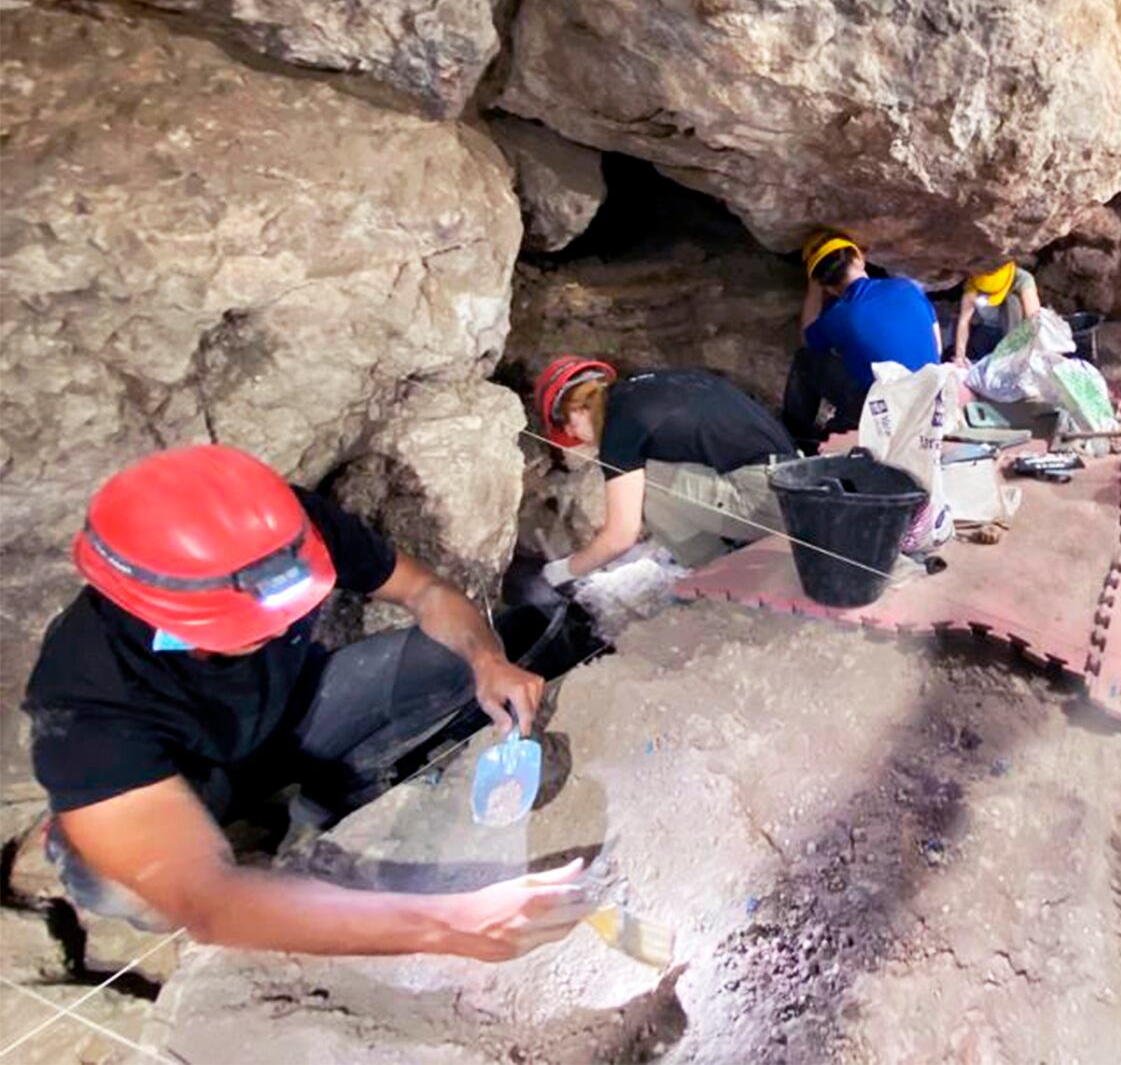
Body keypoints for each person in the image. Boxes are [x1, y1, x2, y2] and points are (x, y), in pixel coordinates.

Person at [22, 445, 593, 960]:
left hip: (284, 718)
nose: (291, 617)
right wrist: (447, 923)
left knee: (452, 658)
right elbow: (211, 905)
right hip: (177, 787)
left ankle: (319, 815)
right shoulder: (83, 707)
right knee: (125, 884)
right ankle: (213, 854)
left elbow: (425, 591)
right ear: (175, 620)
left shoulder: (280, 533)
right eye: (260, 623)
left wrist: (487, 661)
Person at [536, 356, 797, 580]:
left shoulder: (619, 424)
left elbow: (621, 537)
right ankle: (726, 558)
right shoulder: (651, 387)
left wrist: (561, 573)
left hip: (772, 505)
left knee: (644, 484)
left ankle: (715, 571)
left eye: (565, 426)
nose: (572, 434)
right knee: (651, 473)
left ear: (578, 408)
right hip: (797, 483)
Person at [781, 233, 941, 446]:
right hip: (931, 399)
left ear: (826, 286)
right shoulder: (907, 287)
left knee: (806, 360)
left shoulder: (839, 316)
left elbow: (808, 339)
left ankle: (795, 436)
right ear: (859, 259)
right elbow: (937, 345)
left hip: (887, 410)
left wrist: (813, 289)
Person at [952, 260, 1041, 365]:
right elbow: (964, 321)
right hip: (987, 329)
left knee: (1012, 301)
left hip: (1015, 331)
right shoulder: (974, 284)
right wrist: (959, 356)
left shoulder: (1023, 279)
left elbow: (1034, 319)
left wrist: (1029, 354)